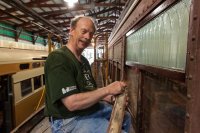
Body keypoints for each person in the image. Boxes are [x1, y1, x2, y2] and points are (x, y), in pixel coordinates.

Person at [44, 16, 131, 133]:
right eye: (84, 31)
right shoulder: (58, 58)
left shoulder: (84, 61)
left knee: (125, 117)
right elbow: (72, 103)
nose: (87, 37)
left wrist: (111, 97)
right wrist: (108, 89)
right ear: (71, 31)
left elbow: (90, 89)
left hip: (88, 110)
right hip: (68, 119)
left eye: (91, 34)